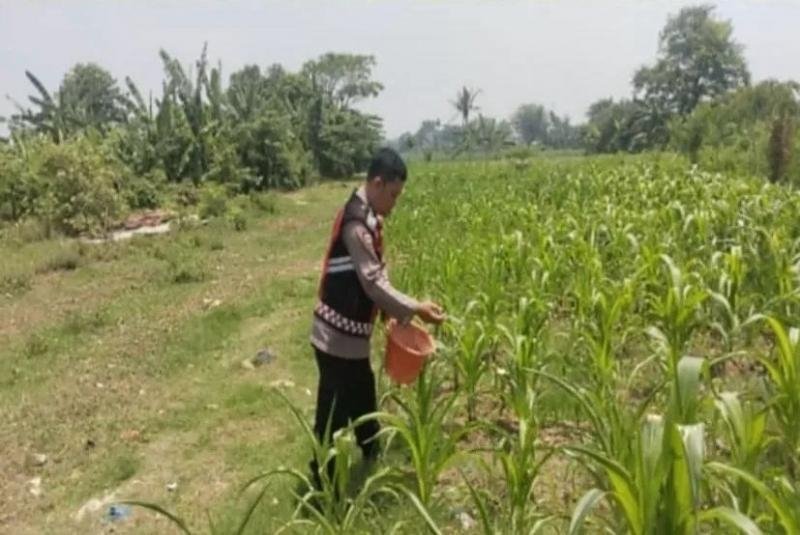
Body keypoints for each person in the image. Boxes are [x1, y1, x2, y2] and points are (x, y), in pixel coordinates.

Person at [307, 147, 445, 491]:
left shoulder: (368, 218)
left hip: (349, 338)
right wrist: (415, 308)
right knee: (334, 414)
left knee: (363, 395)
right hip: (334, 339)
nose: (395, 203)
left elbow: (371, 279)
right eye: (394, 195)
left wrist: (390, 313)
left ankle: (371, 457)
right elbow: (371, 281)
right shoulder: (356, 224)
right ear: (378, 184)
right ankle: (324, 483)